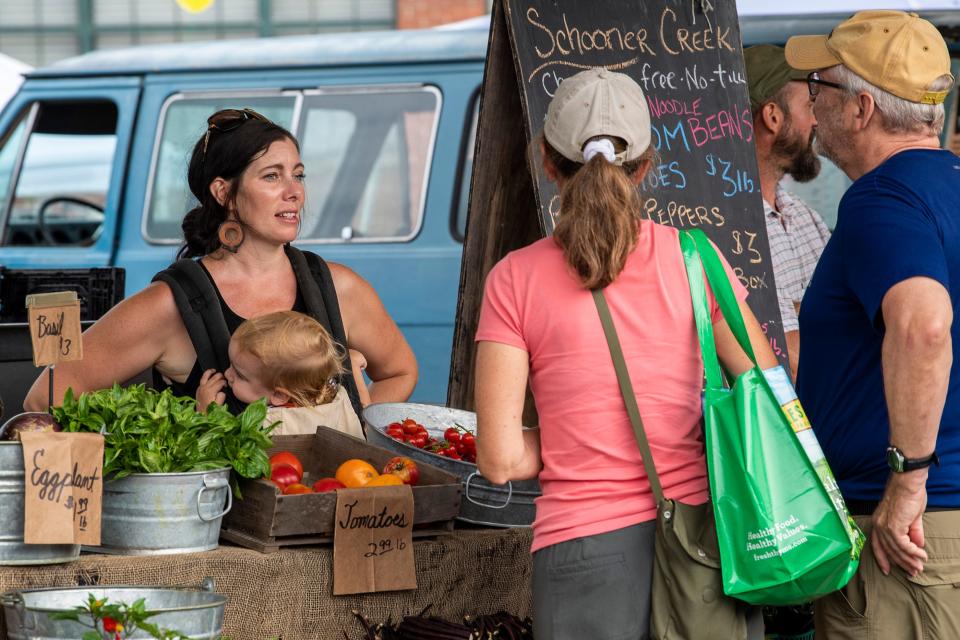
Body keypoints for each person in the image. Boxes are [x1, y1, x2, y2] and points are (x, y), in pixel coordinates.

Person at [473, 68, 777, 640]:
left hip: (581, 552)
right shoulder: (696, 260)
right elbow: (768, 392)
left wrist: (573, 435)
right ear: (644, 166)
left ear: (546, 162)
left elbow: (500, 459)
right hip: (705, 549)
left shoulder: (514, 280)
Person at [24, 108, 416, 413]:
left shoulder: (338, 287)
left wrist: (358, 422)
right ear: (223, 193)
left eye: (298, 175)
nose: (294, 192)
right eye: (271, 177)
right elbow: (47, 398)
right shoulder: (171, 305)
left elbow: (400, 371)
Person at [785, 10, 960, 639]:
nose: (809, 101)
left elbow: (924, 326)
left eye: (819, 88)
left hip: (911, 535)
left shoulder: (883, 199)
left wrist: (908, 480)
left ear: (861, 108)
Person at [745, 44, 831, 381]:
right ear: (773, 117)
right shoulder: (732, 228)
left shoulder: (805, 217)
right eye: (809, 106)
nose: (816, 120)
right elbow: (789, 356)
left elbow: (849, 320)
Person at [197, 311, 365, 438]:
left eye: (241, 375)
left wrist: (205, 414)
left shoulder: (272, 424)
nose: (227, 373)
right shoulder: (334, 395)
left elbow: (224, 458)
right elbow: (360, 407)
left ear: (279, 395)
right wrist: (353, 367)